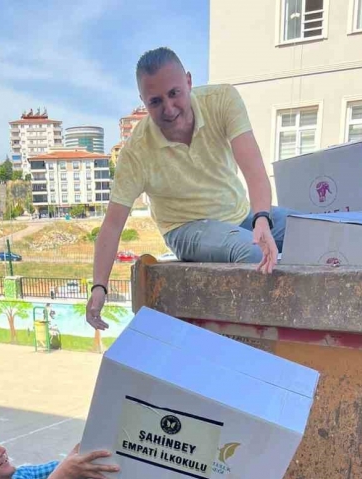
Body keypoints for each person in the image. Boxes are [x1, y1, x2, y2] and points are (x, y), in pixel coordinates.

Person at [88, 47, 289, 332]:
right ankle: (254, 345)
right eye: (155, 101)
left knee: (314, 230)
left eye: (174, 94)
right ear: (143, 101)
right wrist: (100, 287)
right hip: (185, 227)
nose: (169, 109)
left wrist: (261, 219)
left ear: (189, 82)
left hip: (239, 213)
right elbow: (111, 226)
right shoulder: (136, 152)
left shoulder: (222, 101)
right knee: (252, 252)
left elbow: (254, 169)